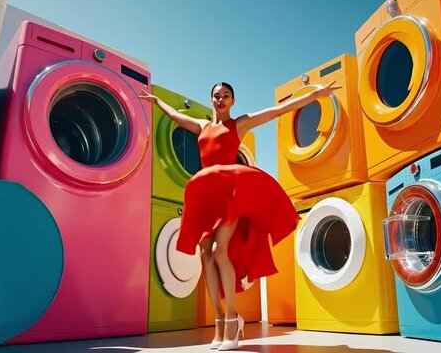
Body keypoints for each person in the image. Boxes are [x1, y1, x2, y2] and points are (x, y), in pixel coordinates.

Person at [139, 81, 340, 350]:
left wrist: (316, 95)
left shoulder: (239, 124)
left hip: (230, 193)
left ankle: (232, 320)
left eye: (226, 96)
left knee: (220, 251)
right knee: (204, 253)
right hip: (208, 194)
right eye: (216, 96)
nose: (220, 100)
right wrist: (156, 102)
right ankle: (220, 320)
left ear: (233, 101)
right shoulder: (202, 126)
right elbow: (176, 116)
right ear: (211, 100)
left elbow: (276, 111)